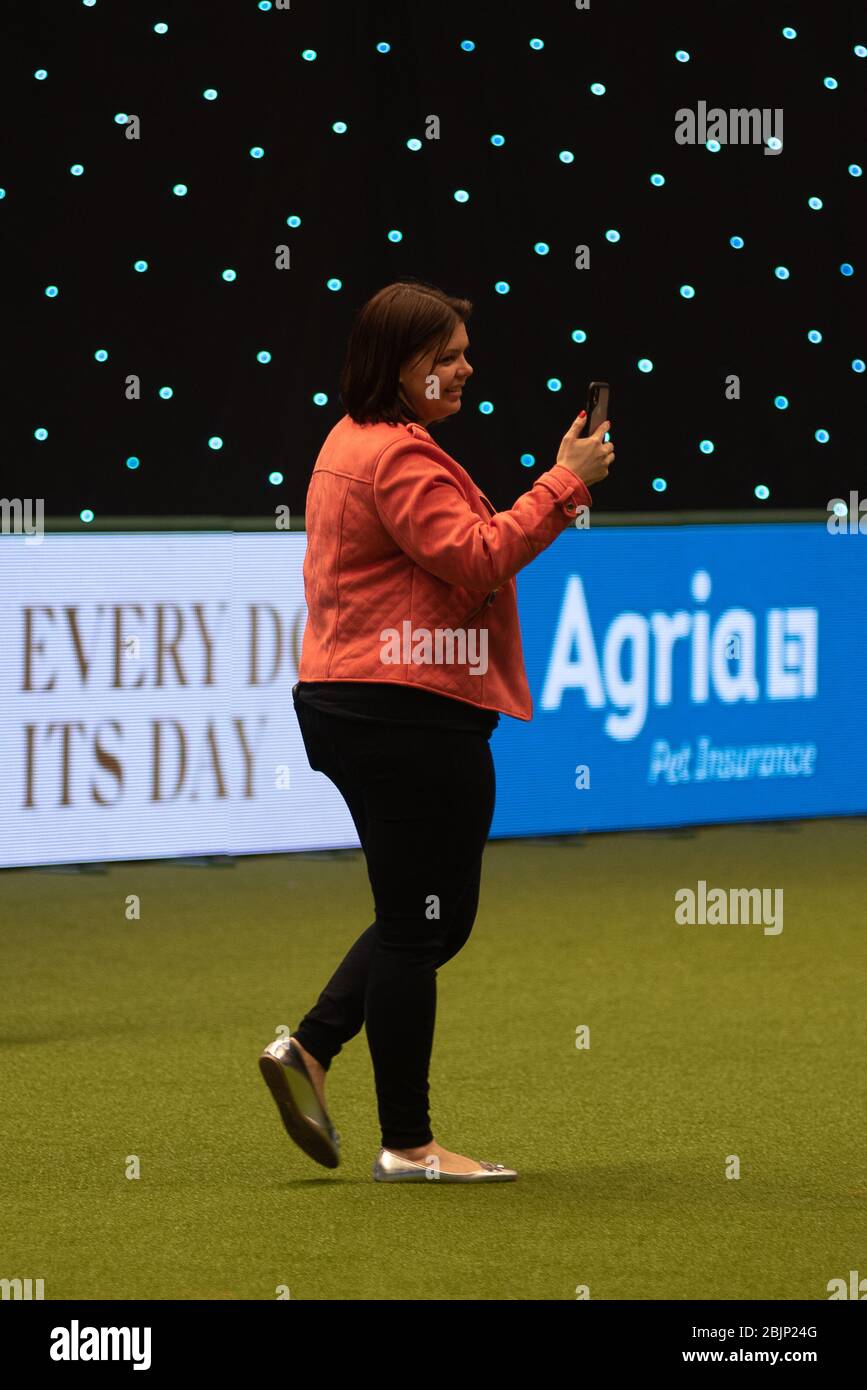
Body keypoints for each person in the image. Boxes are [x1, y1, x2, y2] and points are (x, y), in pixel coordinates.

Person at [259, 278, 613, 1183]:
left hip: (361, 703)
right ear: (402, 366)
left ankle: (310, 1050)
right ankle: (408, 1145)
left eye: (461, 352)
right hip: (403, 711)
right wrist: (564, 484)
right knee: (422, 928)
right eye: (446, 357)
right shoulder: (398, 458)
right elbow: (477, 557)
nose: (466, 369)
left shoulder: (353, 441)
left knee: (426, 919)